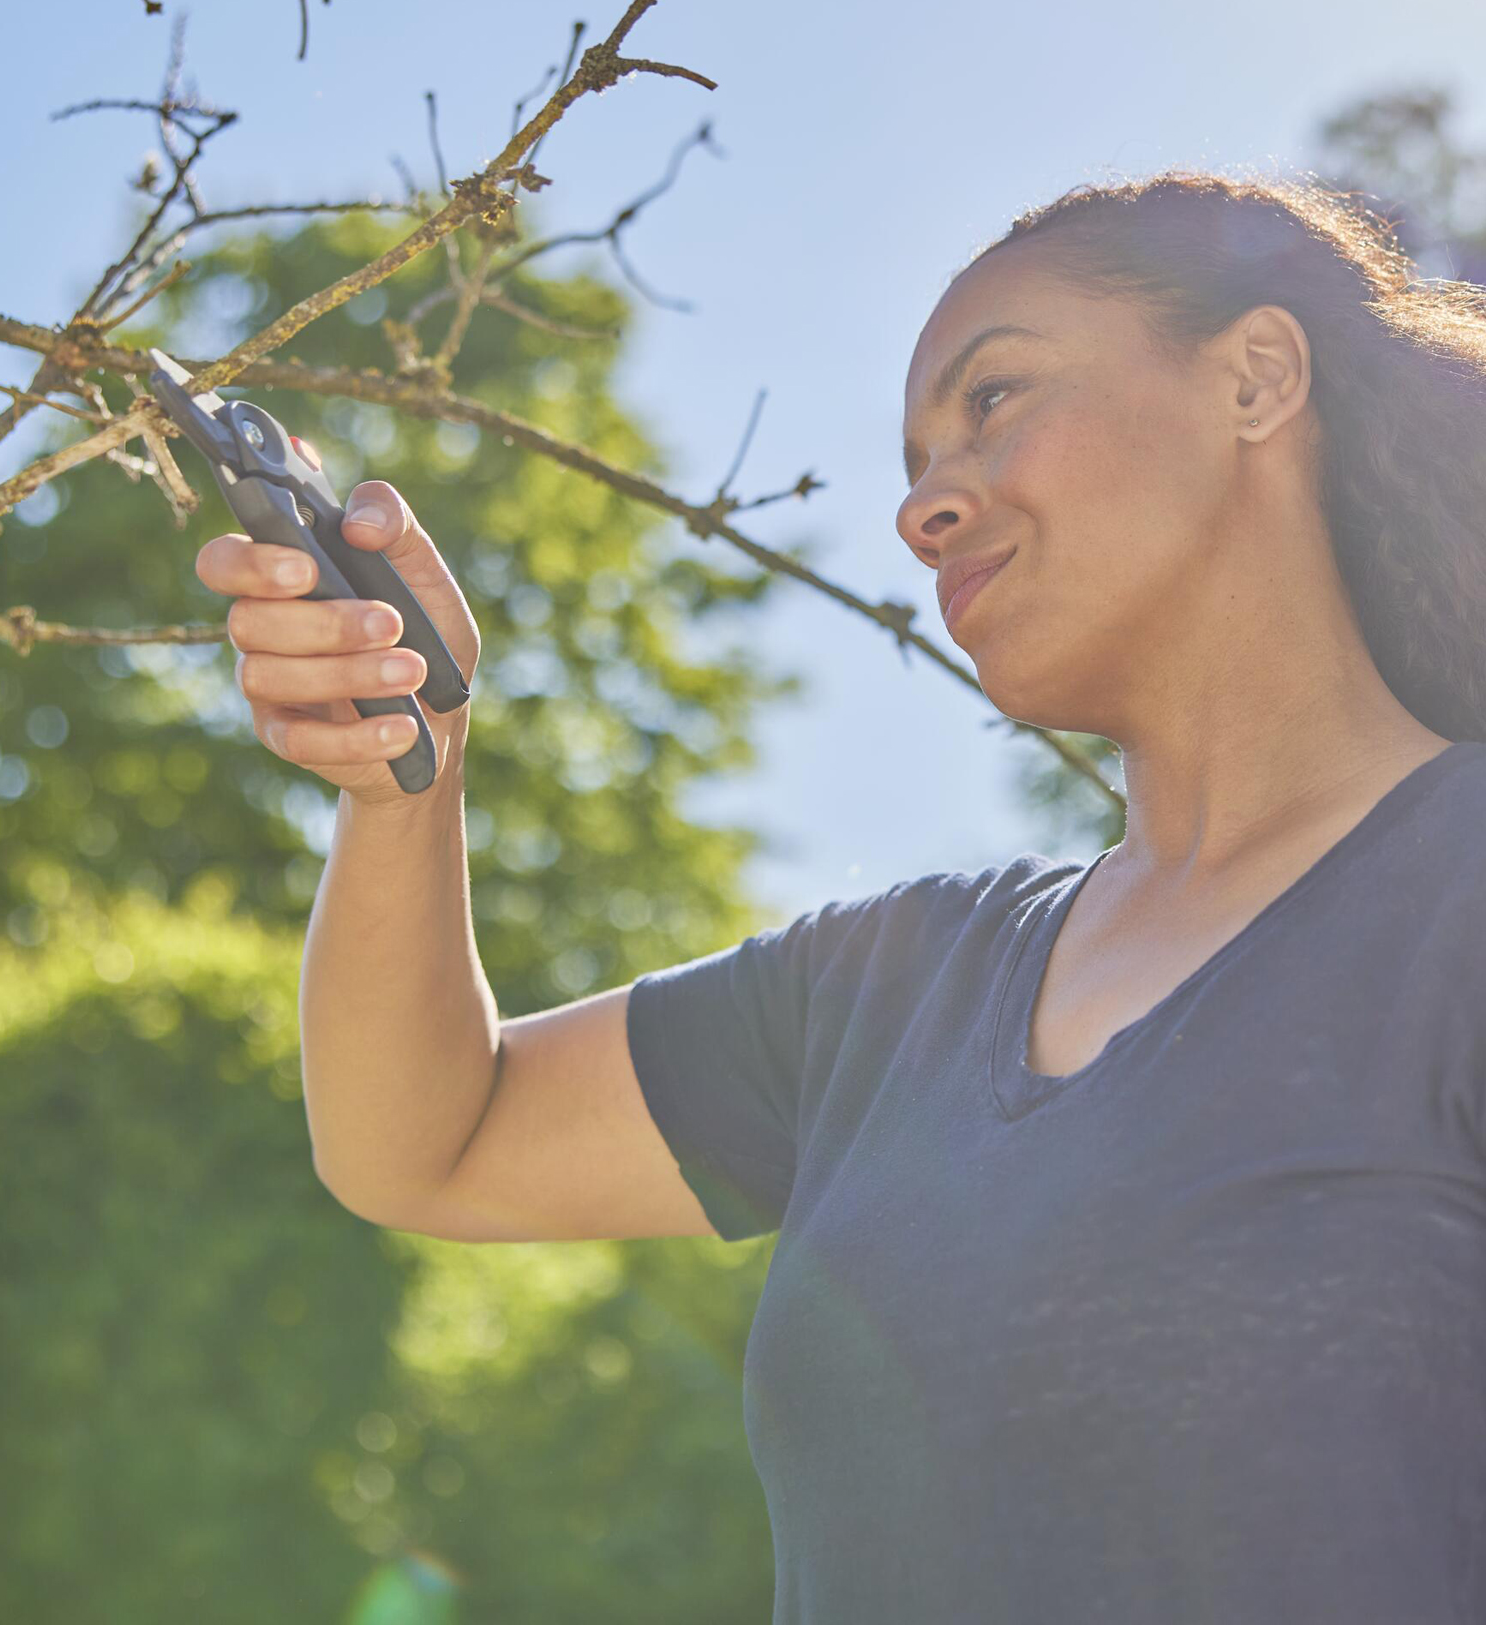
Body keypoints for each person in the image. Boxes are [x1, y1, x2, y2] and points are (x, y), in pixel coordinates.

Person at [192, 170, 1486, 1623]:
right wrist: (404, 785)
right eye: (916, 454)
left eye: (994, 399)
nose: (924, 505)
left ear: (1256, 378)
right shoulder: (890, 985)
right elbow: (426, 1141)